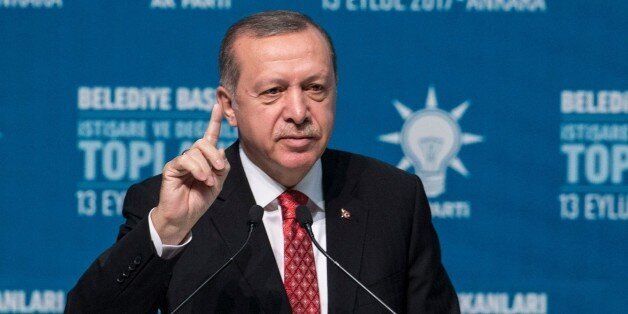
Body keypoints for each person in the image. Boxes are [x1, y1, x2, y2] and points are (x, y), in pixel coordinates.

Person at [66, 10, 460, 313]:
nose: (299, 111)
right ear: (229, 106)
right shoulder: (170, 204)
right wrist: (168, 229)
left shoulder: (392, 196)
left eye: (315, 88)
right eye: (273, 91)